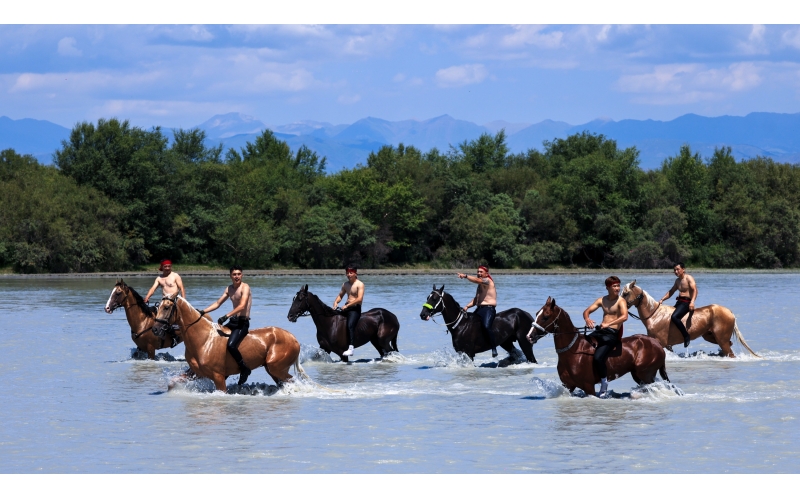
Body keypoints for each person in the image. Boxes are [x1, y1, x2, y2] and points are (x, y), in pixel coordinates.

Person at [198, 266, 253, 385]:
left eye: (239, 274)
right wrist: (203, 311)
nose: (237, 276)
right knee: (215, 339)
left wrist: (225, 316)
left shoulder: (245, 287)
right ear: (230, 276)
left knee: (231, 345)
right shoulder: (229, 289)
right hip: (233, 322)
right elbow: (218, 303)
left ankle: (244, 369)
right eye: (234, 274)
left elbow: (242, 305)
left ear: (242, 275)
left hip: (242, 323)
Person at [583, 276, 629, 397]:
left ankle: (604, 383)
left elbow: (624, 317)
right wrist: (587, 319)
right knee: (583, 344)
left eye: (618, 286)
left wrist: (608, 323)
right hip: (601, 330)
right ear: (607, 288)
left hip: (612, 333)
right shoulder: (601, 300)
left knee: (598, 357)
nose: (617, 288)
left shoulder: (621, 301)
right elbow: (586, 311)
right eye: (614, 286)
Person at [458, 265, 498, 357]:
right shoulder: (480, 285)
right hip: (479, 309)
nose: (479, 273)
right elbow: (476, 299)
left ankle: (493, 347)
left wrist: (465, 276)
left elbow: (477, 280)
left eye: (481, 272)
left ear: (486, 273)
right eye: (478, 271)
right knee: (468, 326)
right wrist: (467, 307)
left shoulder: (487, 281)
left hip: (489, 309)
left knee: (486, 326)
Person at [658, 262, 696, 348]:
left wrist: (692, 302)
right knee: (667, 318)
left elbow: (694, 290)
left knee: (674, 317)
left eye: (678, 269)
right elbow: (671, 291)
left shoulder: (689, 278)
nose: (676, 271)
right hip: (679, 302)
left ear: (683, 269)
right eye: (674, 270)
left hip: (687, 302)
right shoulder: (677, 281)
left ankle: (686, 336)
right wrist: (662, 299)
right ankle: (670, 340)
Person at [333, 266, 364, 357]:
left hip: (355, 309)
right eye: (347, 273)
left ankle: (351, 348)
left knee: (350, 325)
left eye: (351, 273)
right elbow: (340, 296)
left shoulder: (360, 284)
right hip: (346, 308)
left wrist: (347, 305)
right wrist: (335, 303)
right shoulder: (345, 284)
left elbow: (359, 299)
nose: (348, 275)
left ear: (355, 274)